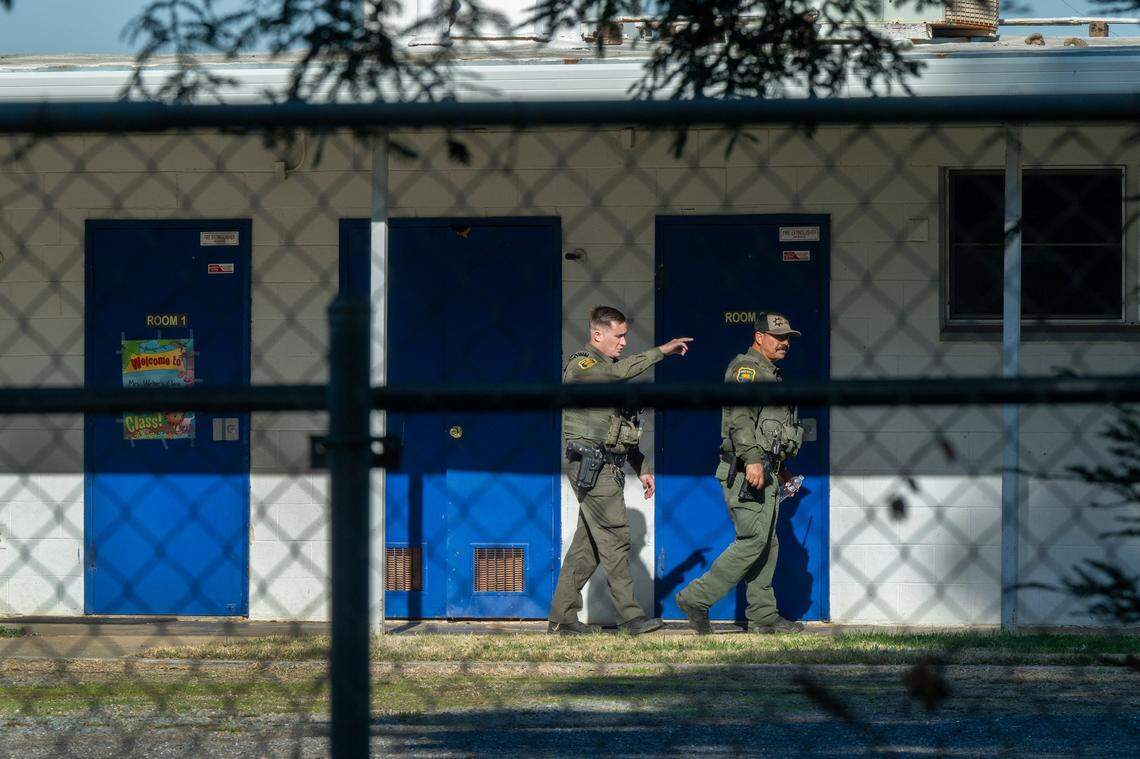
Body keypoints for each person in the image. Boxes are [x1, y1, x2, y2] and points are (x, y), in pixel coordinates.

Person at [548, 306, 692, 635]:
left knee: (587, 547)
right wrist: (662, 351)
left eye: (626, 335)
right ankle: (629, 617)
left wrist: (641, 466)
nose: (624, 342)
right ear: (597, 334)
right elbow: (617, 374)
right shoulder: (583, 367)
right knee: (616, 538)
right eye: (619, 335)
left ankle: (562, 619)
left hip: (607, 465)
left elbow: (621, 429)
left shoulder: (610, 370)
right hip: (590, 463)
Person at [675, 311, 806, 635]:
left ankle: (763, 617)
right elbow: (740, 420)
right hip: (747, 472)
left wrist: (782, 469)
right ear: (758, 337)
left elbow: (770, 431)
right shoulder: (746, 371)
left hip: (767, 471)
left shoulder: (771, 374)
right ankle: (695, 597)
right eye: (778, 337)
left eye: (788, 337)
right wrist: (752, 461)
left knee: (767, 543)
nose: (785, 343)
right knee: (752, 540)